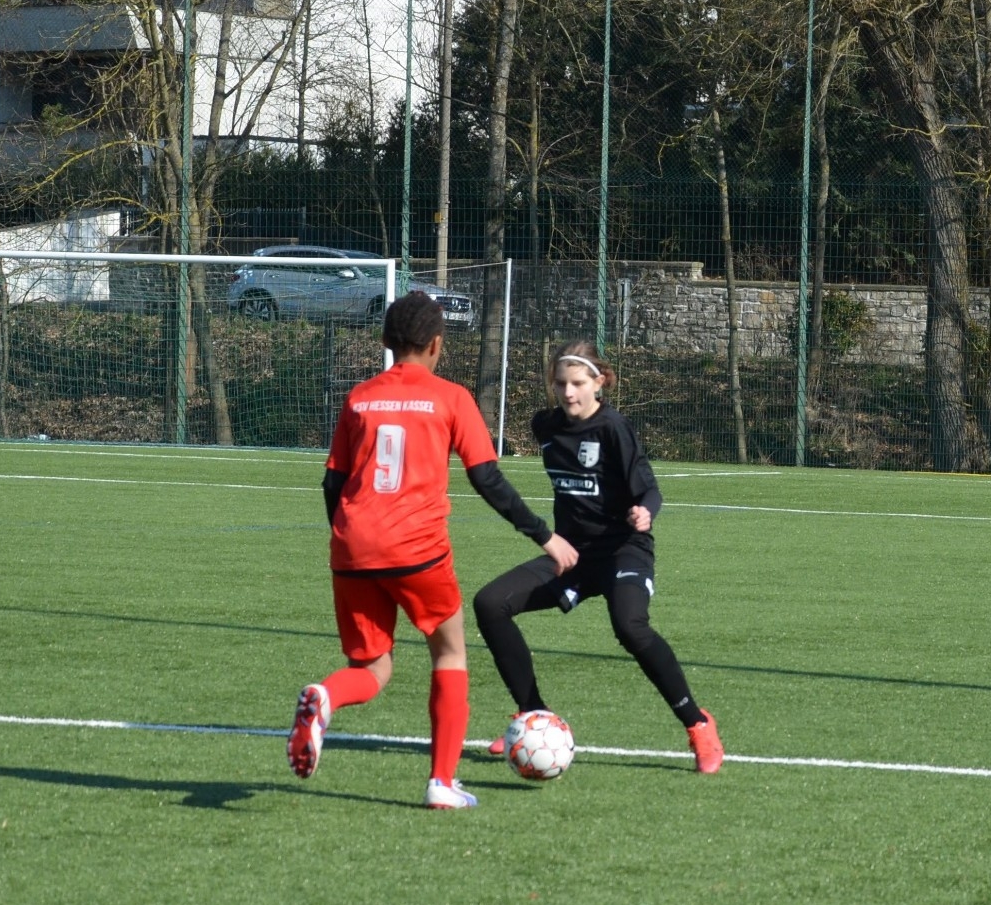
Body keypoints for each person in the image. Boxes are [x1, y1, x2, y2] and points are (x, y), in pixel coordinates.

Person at [287, 291, 578, 809]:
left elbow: (332, 483)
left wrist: (352, 539)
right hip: (417, 549)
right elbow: (487, 479)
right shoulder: (451, 397)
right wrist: (544, 535)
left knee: (372, 668)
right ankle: (441, 782)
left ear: (385, 341)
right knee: (449, 651)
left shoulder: (359, 398)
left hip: (352, 547)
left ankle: (326, 696)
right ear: (438, 344)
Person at [473, 340, 724, 773]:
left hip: (623, 550)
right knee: (490, 603)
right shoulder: (545, 426)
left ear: (599, 382)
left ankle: (697, 723)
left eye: (577, 383)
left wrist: (645, 511)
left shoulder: (613, 428)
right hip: (571, 553)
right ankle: (533, 715)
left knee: (630, 626)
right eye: (560, 383)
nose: (568, 392)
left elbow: (649, 488)